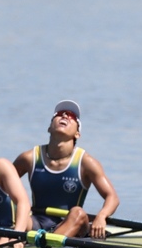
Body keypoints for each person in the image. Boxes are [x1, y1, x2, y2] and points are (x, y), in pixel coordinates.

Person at [14, 100, 120, 239]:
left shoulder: (86, 163)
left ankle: (49, 245)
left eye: (71, 116)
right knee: (16, 210)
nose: (64, 116)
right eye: (59, 114)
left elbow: (112, 197)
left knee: (78, 212)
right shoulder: (29, 158)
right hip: (36, 222)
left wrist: (101, 216)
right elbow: (1, 186)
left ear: (77, 134)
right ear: (49, 128)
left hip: (72, 224)